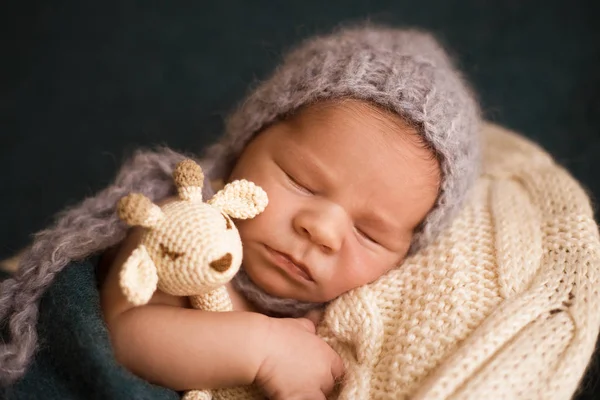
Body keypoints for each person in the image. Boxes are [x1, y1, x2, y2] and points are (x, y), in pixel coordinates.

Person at [0, 23, 480, 399]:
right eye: (302, 182)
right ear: (245, 144)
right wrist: (261, 348)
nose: (322, 230)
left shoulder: (362, 312)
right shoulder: (185, 221)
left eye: (371, 234)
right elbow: (128, 334)